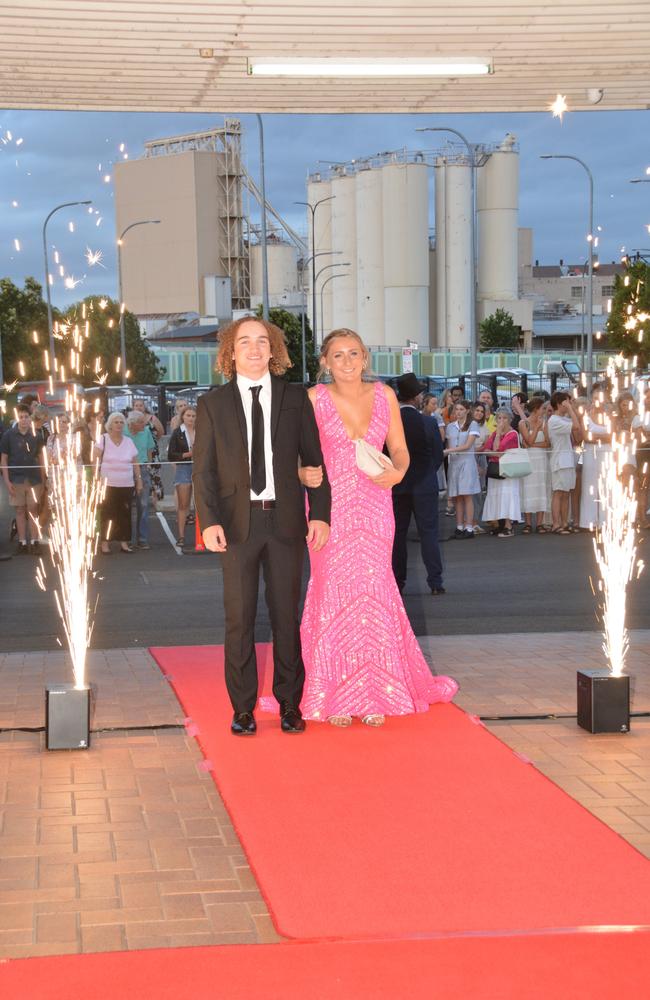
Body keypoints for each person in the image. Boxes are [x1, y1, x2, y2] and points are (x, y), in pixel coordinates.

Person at [298, 329, 457, 728]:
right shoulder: (314, 399)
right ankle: (332, 693)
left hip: (373, 503)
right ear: (325, 362)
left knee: (373, 591)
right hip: (328, 507)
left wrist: (398, 471)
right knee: (332, 591)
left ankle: (375, 691)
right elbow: (295, 451)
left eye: (354, 353)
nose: (347, 361)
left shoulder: (385, 396)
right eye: (338, 355)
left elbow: (399, 448)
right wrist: (301, 472)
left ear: (365, 358)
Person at [193, 317, 331, 737]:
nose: (254, 348)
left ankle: (291, 704)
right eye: (244, 342)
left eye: (262, 341)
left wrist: (320, 513)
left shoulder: (294, 398)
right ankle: (243, 708)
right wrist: (209, 522)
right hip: (236, 526)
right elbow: (203, 472)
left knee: (286, 617)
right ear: (230, 352)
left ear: (273, 350)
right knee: (239, 619)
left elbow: (314, 462)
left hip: (286, 522)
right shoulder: (213, 404)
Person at [391, 372, 445, 596]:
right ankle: (435, 581)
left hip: (397, 485)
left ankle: (397, 582)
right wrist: (426, 474)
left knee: (398, 536)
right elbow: (437, 455)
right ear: (415, 397)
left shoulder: (390, 423)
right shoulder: (429, 422)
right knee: (429, 534)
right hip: (424, 484)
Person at [95, 412, 142, 554]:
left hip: (126, 484)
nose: (119, 425)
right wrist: (96, 480)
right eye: (116, 422)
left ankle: (124, 543)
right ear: (110, 424)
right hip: (107, 484)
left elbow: (135, 463)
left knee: (125, 514)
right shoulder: (102, 439)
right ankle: (105, 544)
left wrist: (138, 481)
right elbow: (94, 461)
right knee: (108, 514)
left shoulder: (129, 441)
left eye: (121, 422)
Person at [1, 402, 45, 554]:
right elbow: (4, 459)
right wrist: (7, 481)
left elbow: (41, 458)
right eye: (21, 417)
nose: (24, 419)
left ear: (30, 419)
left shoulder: (37, 436)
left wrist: (44, 479)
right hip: (16, 478)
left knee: (33, 510)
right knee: (20, 510)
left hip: (34, 479)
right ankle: (22, 542)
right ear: (17, 418)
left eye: (26, 417)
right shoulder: (8, 435)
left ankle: (34, 541)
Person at [480, 409, 522, 537]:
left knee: (506, 496)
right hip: (495, 469)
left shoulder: (513, 434)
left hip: (507, 470)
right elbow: (486, 449)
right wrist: (496, 438)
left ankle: (509, 526)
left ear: (510, 420)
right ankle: (500, 524)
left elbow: (499, 449)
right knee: (496, 496)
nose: (501, 421)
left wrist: (496, 444)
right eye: (499, 418)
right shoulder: (494, 434)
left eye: (504, 418)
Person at [444, 399, 481, 539]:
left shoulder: (473, 424)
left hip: (467, 463)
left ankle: (469, 527)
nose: (458, 412)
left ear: (467, 410)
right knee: (457, 496)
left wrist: (448, 451)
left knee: (467, 495)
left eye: (461, 409)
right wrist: (449, 451)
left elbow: (467, 446)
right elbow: (449, 444)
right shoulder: (450, 427)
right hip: (454, 463)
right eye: (456, 409)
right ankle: (459, 526)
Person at [547, 391, 581, 535]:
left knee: (566, 492)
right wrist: (570, 407)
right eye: (566, 402)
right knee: (558, 493)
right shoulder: (554, 420)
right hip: (559, 461)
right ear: (560, 404)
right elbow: (576, 426)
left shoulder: (563, 419)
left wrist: (570, 407)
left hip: (567, 460)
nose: (568, 405)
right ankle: (556, 524)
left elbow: (577, 422)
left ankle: (564, 522)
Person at [519, 396, 551, 534]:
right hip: (528, 459)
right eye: (542, 408)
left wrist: (533, 444)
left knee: (540, 488)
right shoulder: (523, 423)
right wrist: (537, 429)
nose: (544, 411)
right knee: (527, 489)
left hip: (541, 459)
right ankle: (527, 523)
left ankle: (539, 523)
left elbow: (547, 443)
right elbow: (528, 440)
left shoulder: (544, 423)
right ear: (536, 409)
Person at [124, 411, 156, 549]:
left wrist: (148, 464)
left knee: (143, 504)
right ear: (133, 424)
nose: (145, 424)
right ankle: (127, 538)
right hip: (125, 468)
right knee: (127, 505)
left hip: (142, 468)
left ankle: (142, 538)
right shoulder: (124, 431)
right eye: (141, 422)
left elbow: (150, 449)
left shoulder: (147, 431)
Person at [168, 405, 196, 547]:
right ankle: (181, 536)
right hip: (184, 468)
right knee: (183, 505)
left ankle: (203, 536)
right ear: (183, 417)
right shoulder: (177, 433)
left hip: (199, 468)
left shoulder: (202, 431)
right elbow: (171, 455)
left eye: (193, 416)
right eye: (188, 415)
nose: (191, 418)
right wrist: (188, 454)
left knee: (202, 504)